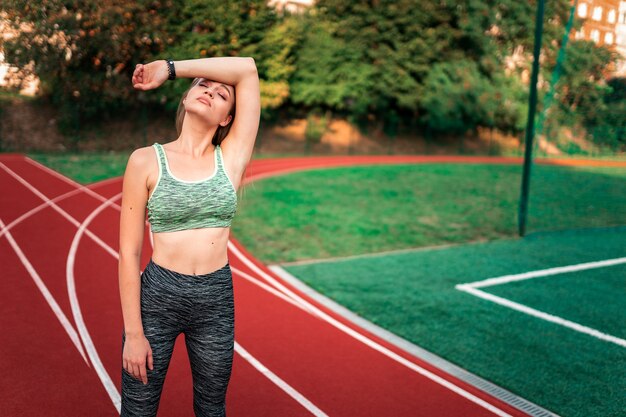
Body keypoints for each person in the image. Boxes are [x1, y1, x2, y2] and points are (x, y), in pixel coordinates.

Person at [118, 56, 260, 417]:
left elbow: (247, 70)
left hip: (215, 300)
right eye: (202, 85)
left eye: (221, 94)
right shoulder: (145, 161)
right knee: (139, 410)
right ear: (185, 98)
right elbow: (129, 253)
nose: (210, 92)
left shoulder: (230, 157)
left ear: (227, 117)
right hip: (158, 298)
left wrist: (170, 68)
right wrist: (134, 334)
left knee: (212, 410)